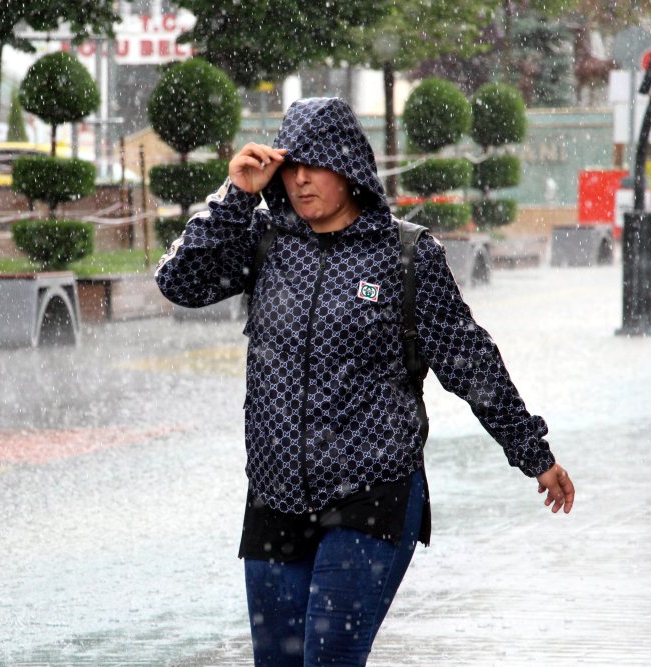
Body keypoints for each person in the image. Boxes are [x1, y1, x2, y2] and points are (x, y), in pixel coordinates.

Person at [155, 97, 574, 666]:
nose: (300, 181)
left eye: (315, 166)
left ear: (349, 167)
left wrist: (533, 452)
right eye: (290, 166)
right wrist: (236, 196)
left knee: (328, 659)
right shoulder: (266, 241)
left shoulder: (404, 255)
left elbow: (468, 359)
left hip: (371, 491)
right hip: (275, 495)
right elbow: (179, 282)